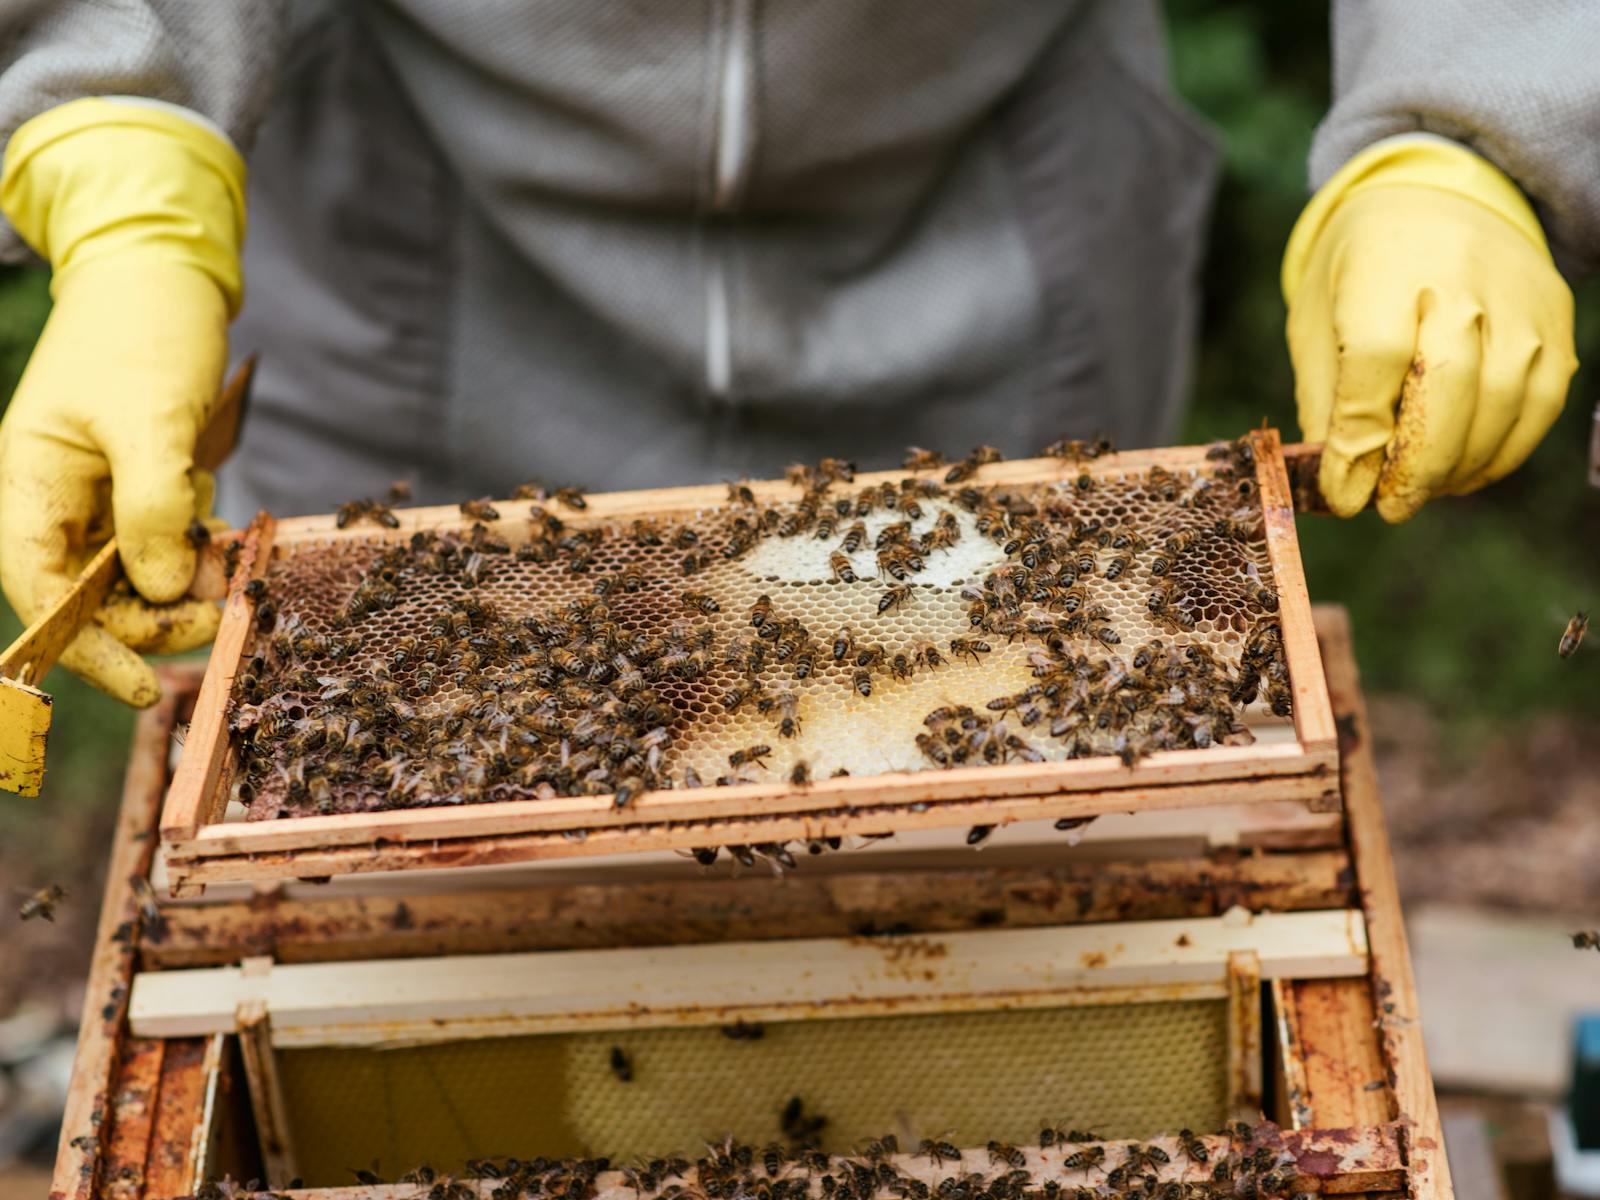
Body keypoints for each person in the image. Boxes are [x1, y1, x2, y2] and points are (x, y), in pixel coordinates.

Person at [0, 3, 1579, 708]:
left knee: (1020, 842)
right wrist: (101, 111)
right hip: (410, 256)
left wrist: (1463, 114)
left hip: (1002, 214)